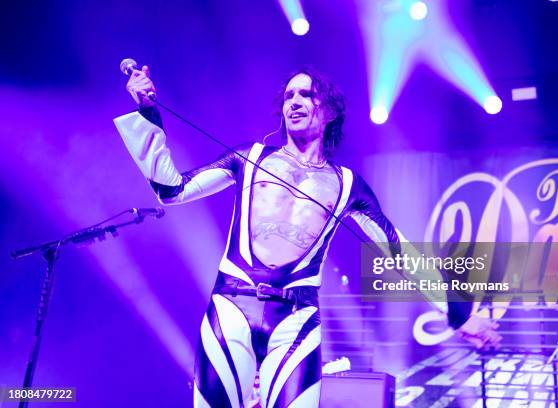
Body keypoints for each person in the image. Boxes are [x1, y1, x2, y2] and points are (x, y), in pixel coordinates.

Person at [114, 66, 500, 408]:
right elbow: (171, 190)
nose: (294, 103)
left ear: (328, 111)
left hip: (297, 319)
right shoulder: (251, 159)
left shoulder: (348, 185)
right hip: (232, 304)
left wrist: (458, 313)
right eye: (288, 96)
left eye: (306, 95)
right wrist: (149, 112)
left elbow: (397, 251)